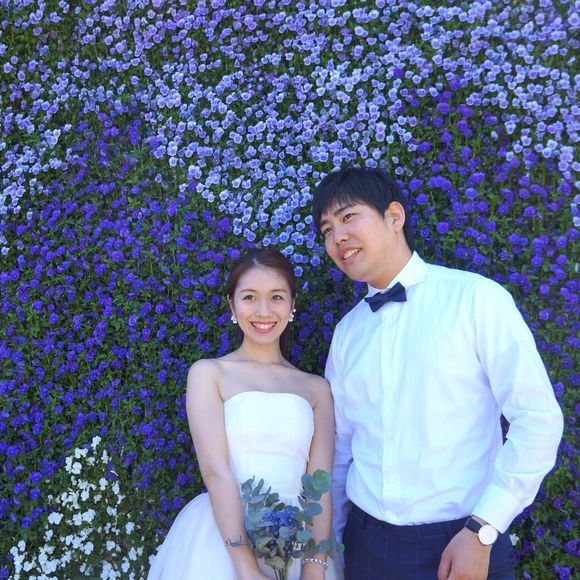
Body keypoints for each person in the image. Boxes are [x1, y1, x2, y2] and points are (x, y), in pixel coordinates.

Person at [311, 167, 564, 579]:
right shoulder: (347, 333)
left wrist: (484, 528)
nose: (337, 237)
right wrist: (332, 550)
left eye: (348, 217)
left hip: (461, 540)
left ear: (394, 216)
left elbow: (537, 418)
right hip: (365, 544)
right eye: (326, 230)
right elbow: (342, 448)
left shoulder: (476, 299)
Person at [148, 248, 343, 580]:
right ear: (232, 304)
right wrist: (246, 567)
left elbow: (319, 486)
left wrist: (314, 568)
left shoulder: (316, 388)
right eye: (250, 297)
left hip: (298, 540)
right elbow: (216, 471)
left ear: (292, 304)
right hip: (224, 541)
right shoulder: (209, 374)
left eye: (276, 297)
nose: (263, 311)